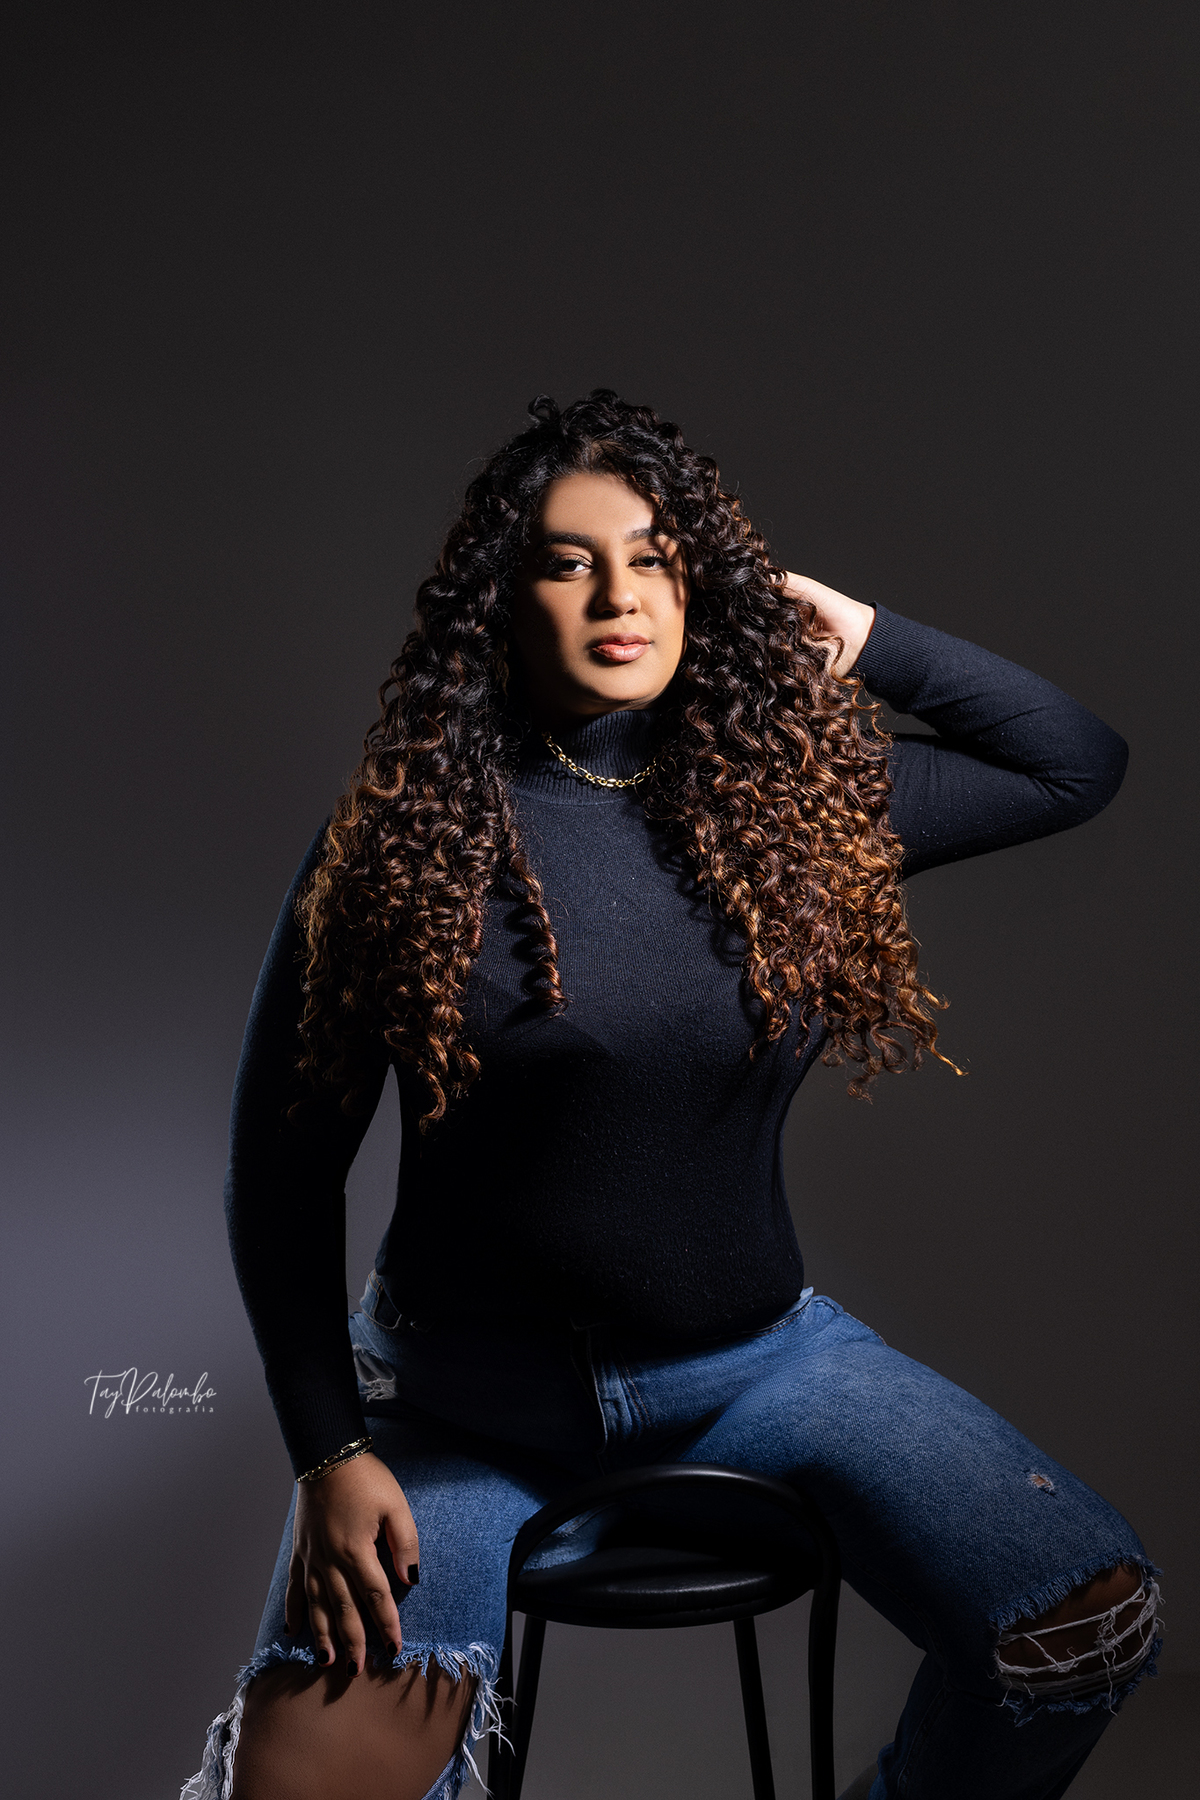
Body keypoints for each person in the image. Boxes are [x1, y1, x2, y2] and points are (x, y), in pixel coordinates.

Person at [183, 392, 1159, 1800]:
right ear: (501, 599)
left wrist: (865, 633)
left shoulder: (785, 805)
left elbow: (1074, 761)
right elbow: (279, 1176)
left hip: (754, 1373)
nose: (620, 596)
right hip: (459, 1402)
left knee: (1087, 1623)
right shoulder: (404, 842)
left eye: (654, 557)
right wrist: (327, 1451)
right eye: (569, 562)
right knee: (309, 1785)